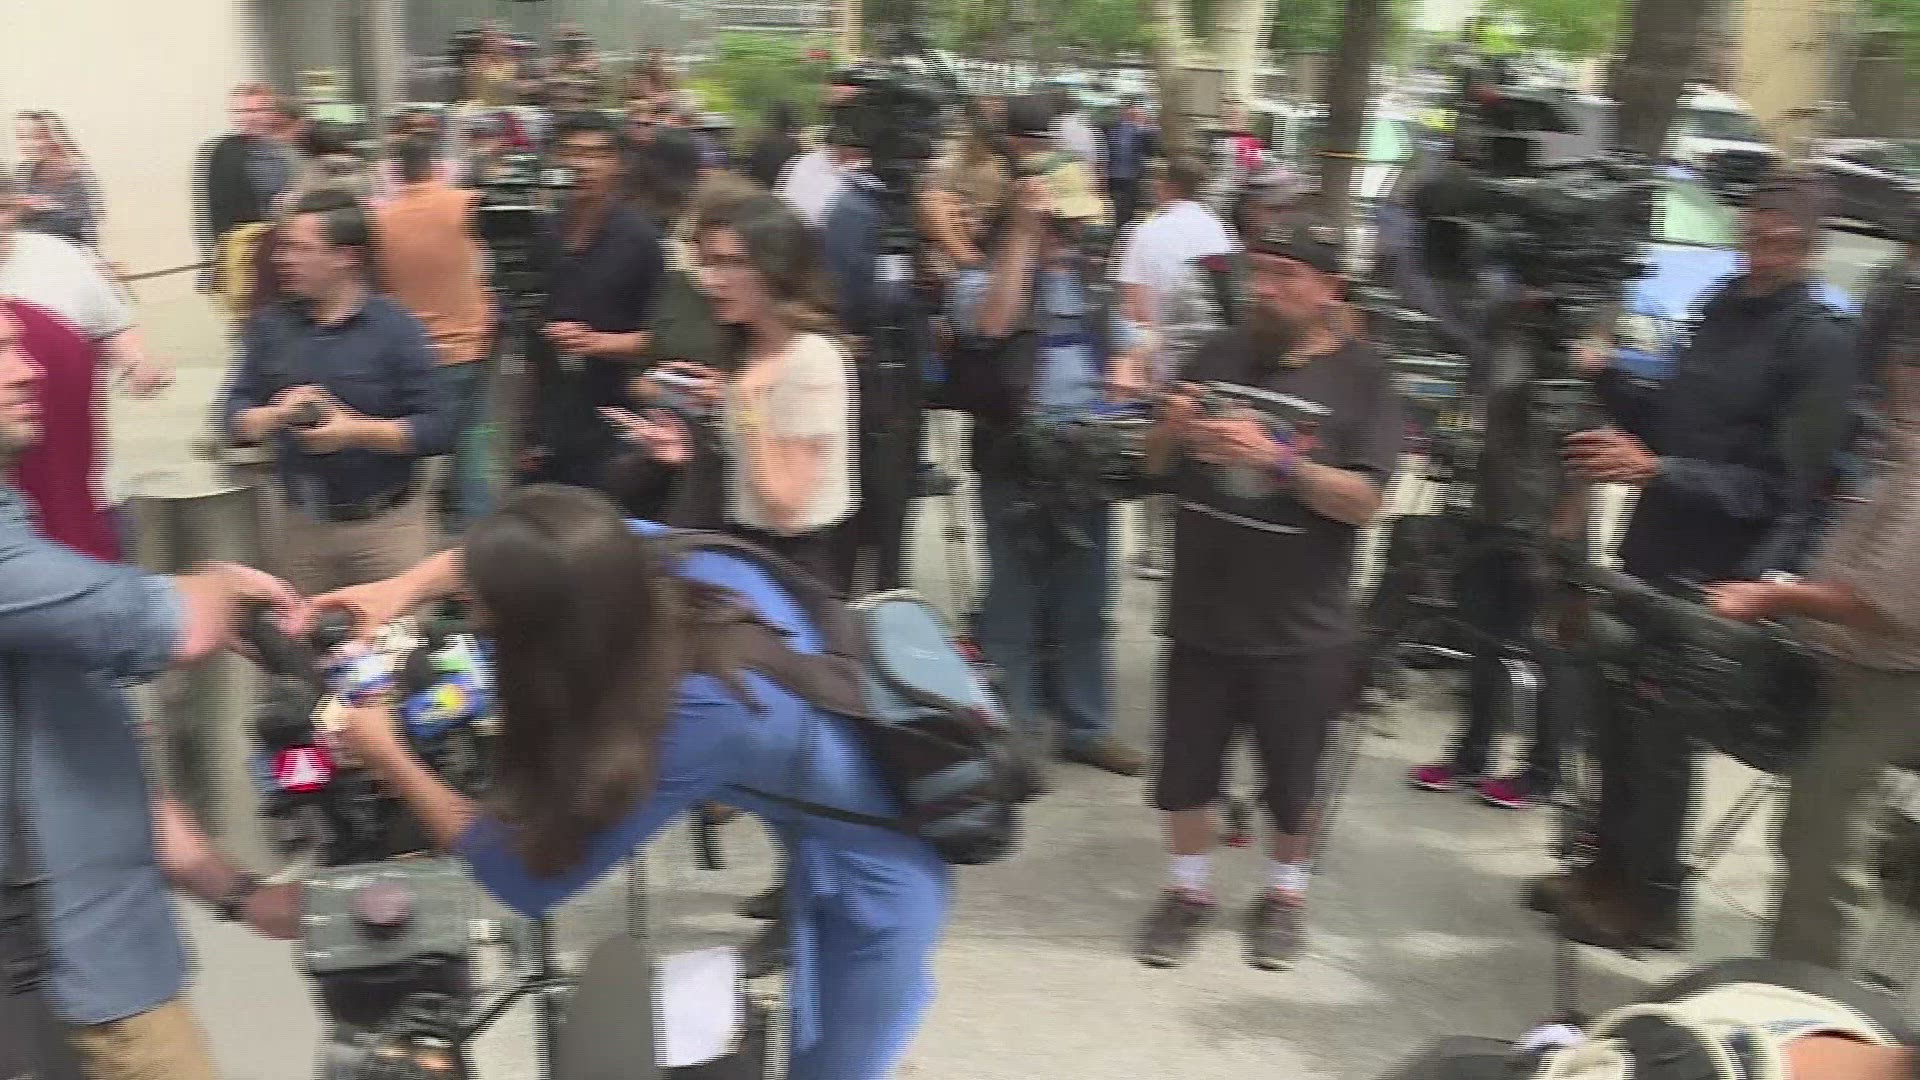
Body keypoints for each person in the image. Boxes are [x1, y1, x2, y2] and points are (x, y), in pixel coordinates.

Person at [313, 485, 950, 1080]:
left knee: (838, 1063)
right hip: (828, 815)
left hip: (886, 876)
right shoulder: (638, 565)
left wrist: (388, 754)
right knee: (813, 999)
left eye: (485, 612)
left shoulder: (700, 707)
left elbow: (520, 873)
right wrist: (397, 590)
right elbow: (535, 552)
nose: (473, 618)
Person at [1514, 174, 1860, 951]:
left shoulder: (1820, 341)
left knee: (1661, 738)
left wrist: (1659, 471)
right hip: (1653, 546)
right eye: (1755, 233)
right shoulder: (1721, 306)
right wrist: (1602, 373)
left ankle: (1652, 905)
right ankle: (1602, 874)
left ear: (1812, 245)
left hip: (1722, 576)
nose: (1762, 251)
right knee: (1613, 717)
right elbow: (1668, 417)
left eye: (1783, 240)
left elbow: (1783, 488)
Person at [0, 303, 305, 1079]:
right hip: (70, 989)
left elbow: (87, 763)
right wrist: (221, 584)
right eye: (1, 352)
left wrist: (238, 894)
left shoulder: (19, 529)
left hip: (109, 965)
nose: (28, 370)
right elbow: (169, 624)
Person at [1134, 213, 1402, 971]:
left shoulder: (1366, 380)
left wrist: (1277, 461)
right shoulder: (1218, 352)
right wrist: (1171, 428)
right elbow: (1150, 466)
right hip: (1202, 615)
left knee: (1293, 786)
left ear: (1331, 289)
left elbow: (1364, 502)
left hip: (1300, 628)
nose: (1268, 289)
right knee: (1183, 776)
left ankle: (1282, 896)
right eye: (1260, 272)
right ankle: (1186, 890)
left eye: (1289, 276)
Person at [1706, 276, 1920, 968]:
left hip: (1892, 680)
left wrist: (1776, 598)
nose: (1889, 382)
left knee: (1826, 836)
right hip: (1859, 664)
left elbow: (1887, 604)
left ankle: (1809, 996)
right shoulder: (1903, 446)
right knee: (1811, 828)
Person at [946, 94, 1146, 779]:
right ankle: (1015, 729)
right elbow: (993, 323)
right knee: (1012, 600)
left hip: (1086, 454)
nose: (1071, 227)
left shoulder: (1090, 276)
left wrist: (1129, 367)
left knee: (1087, 600)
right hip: (1016, 452)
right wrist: (1023, 238)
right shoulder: (984, 271)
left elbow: (1128, 343)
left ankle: (1086, 725)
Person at [607, 194, 858, 589]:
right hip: (741, 552)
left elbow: (786, 507)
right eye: (708, 264)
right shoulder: (749, 346)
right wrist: (688, 453)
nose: (711, 281)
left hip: (787, 569)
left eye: (731, 263)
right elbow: (749, 468)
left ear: (775, 267)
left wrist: (746, 406)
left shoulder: (811, 358)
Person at [223, 188, 455, 595]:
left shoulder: (396, 329)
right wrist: (275, 415)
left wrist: (353, 431)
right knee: (301, 632)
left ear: (345, 256)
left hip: (387, 532)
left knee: (392, 634)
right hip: (300, 532)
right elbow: (230, 416)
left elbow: (439, 428)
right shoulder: (270, 328)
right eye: (283, 247)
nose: (282, 259)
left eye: (300, 249)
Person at [0, 178, 172, 560]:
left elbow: (113, 327)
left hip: (76, 476)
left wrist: (137, 363)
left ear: (13, 208)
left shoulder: (59, 257)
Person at [519, 111, 665, 492]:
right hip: (550, 421)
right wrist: (526, 427)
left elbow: (664, 340)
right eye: (570, 152)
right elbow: (528, 333)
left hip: (614, 421)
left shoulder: (641, 240)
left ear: (617, 164)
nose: (581, 165)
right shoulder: (544, 233)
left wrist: (595, 342)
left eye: (595, 154)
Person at [373, 134, 497, 534]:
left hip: (411, 354)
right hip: (470, 346)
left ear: (396, 172)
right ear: (438, 167)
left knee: (410, 442)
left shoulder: (381, 222)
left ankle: (409, 527)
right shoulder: (467, 205)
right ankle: (473, 534)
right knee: (473, 441)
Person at [196, 82, 295, 296]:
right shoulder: (219, 152)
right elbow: (207, 212)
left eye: (256, 110)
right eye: (242, 111)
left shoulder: (286, 152)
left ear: (271, 113)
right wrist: (216, 260)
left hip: (284, 249)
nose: (249, 118)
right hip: (243, 252)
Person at [13, 111, 102, 250]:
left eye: (37, 137)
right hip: (32, 247)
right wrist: (21, 207)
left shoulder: (78, 172)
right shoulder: (25, 169)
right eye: (21, 137)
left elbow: (90, 221)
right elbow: (16, 218)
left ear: (54, 138)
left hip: (68, 249)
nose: (27, 144)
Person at [1104, 97, 1158, 231]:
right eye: (1130, 110)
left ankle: (1123, 230)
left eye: (1136, 111)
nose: (1132, 114)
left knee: (1127, 207)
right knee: (1119, 206)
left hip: (1131, 175)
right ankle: (1120, 230)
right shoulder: (1113, 127)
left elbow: (1152, 149)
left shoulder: (1144, 130)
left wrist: (1143, 124)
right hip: (1116, 174)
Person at [746, 101, 806, 192]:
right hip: (785, 192)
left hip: (764, 192)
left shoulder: (763, 143)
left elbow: (753, 171)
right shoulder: (795, 145)